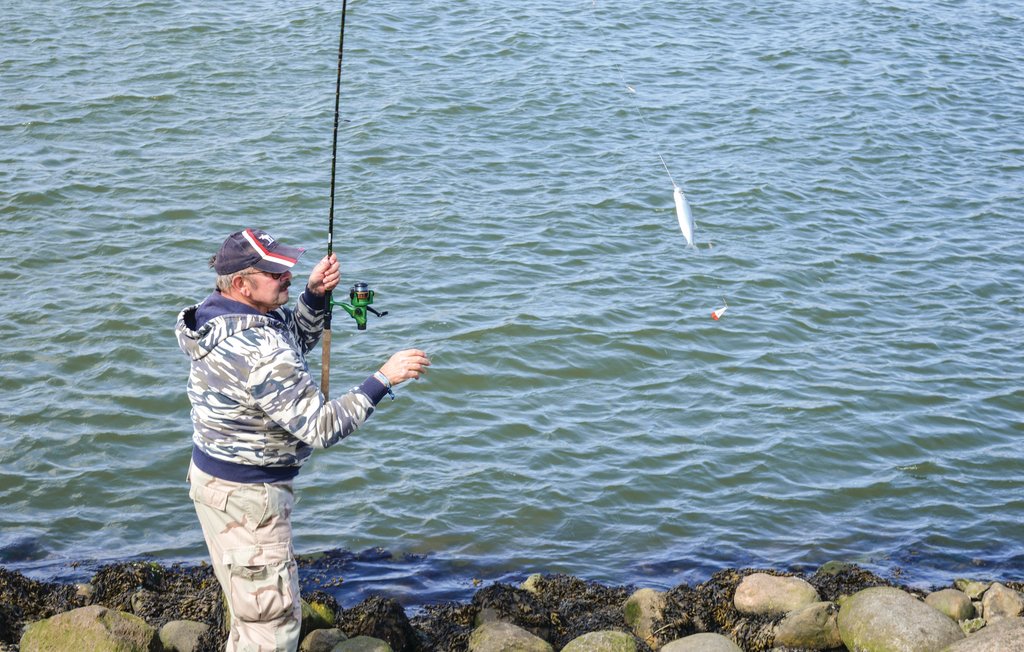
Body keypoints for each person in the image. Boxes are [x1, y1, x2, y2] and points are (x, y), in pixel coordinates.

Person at [174, 228, 429, 651]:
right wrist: (384, 378)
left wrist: (312, 296)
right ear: (241, 282)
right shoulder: (260, 350)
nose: (286, 276)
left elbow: (286, 341)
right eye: (276, 273)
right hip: (249, 500)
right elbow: (321, 427)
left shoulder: (217, 316)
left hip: (214, 484)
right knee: (271, 628)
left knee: (247, 613)